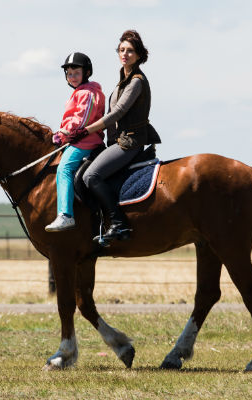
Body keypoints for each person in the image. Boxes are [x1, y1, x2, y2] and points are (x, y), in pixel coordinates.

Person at [71, 30, 161, 242]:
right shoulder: (122, 80)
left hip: (130, 142)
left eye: (130, 51)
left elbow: (118, 113)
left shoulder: (136, 81)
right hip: (115, 142)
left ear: (139, 55)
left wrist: (86, 130)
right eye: (121, 50)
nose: (125, 54)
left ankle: (119, 224)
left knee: (91, 176)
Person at [45, 52, 106, 232]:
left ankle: (66, 215)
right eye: (69, 74)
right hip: (78, 139)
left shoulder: (87, 92)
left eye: (76, 73)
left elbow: (82, 119)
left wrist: (64, 132)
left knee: (64, 168)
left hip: (85, 141)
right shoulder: (81, 92)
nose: (72, 77)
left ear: (86, 73)